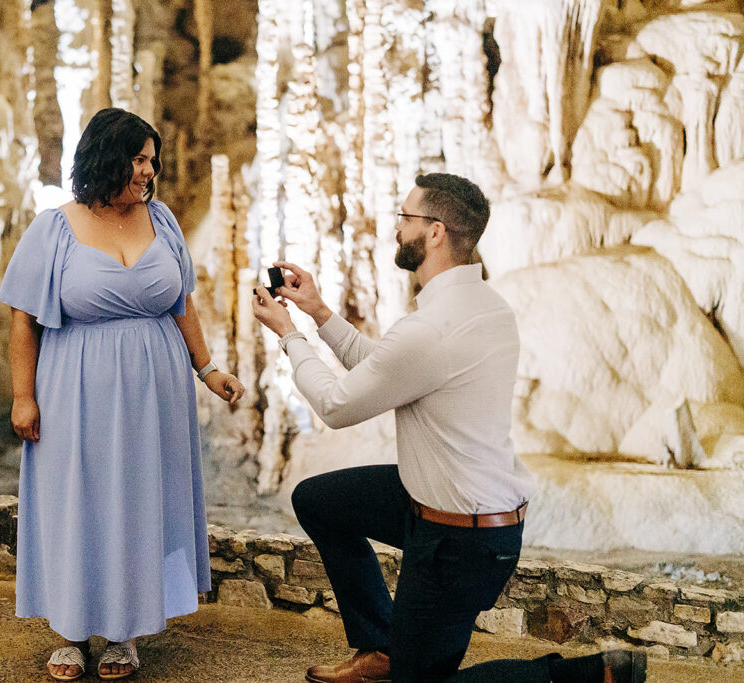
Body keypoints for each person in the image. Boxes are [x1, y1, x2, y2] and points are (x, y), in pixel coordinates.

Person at [252, 172, 646, 683]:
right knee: (319, 500)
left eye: (405, 217)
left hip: (460, 541)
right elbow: (389, 367)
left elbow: (335, 404)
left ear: (435, 232)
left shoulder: (433, 328)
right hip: (450, 509)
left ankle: (589, 675)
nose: (396, 228)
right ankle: (381, 649)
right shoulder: (482, 306)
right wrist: (319, 313)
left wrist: (288, 334)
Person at [0, 108, 243, 681]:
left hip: (154, 393)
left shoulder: (163, 220)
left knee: (138, 503)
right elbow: (22, 323)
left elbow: (182, 303)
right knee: (75, 500)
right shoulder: (53, 228)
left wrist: (207, 368)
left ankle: (125, 633)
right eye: (138, 159)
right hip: (72, 390)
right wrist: (22, 397)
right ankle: (71, 629)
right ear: (107, 157)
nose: (148, 172)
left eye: (151, 161)